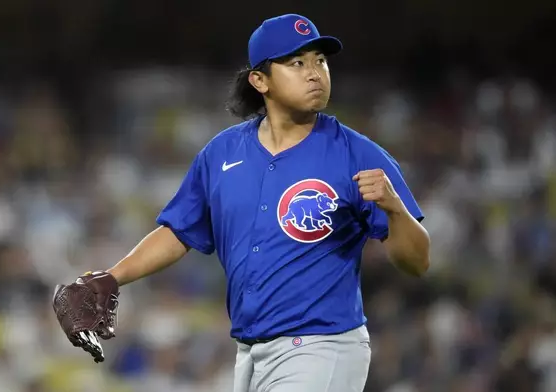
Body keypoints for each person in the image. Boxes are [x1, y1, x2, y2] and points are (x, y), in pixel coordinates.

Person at [53, 13, 430, 392]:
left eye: (320, 60)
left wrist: (395, 209)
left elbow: (417, 262)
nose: (315, 73)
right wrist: (113, 276)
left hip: (321, 348)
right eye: (297, 62)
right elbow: (179, 232)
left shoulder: (358, 155)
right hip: (249, 355)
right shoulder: (222, 153)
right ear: (259, 80)